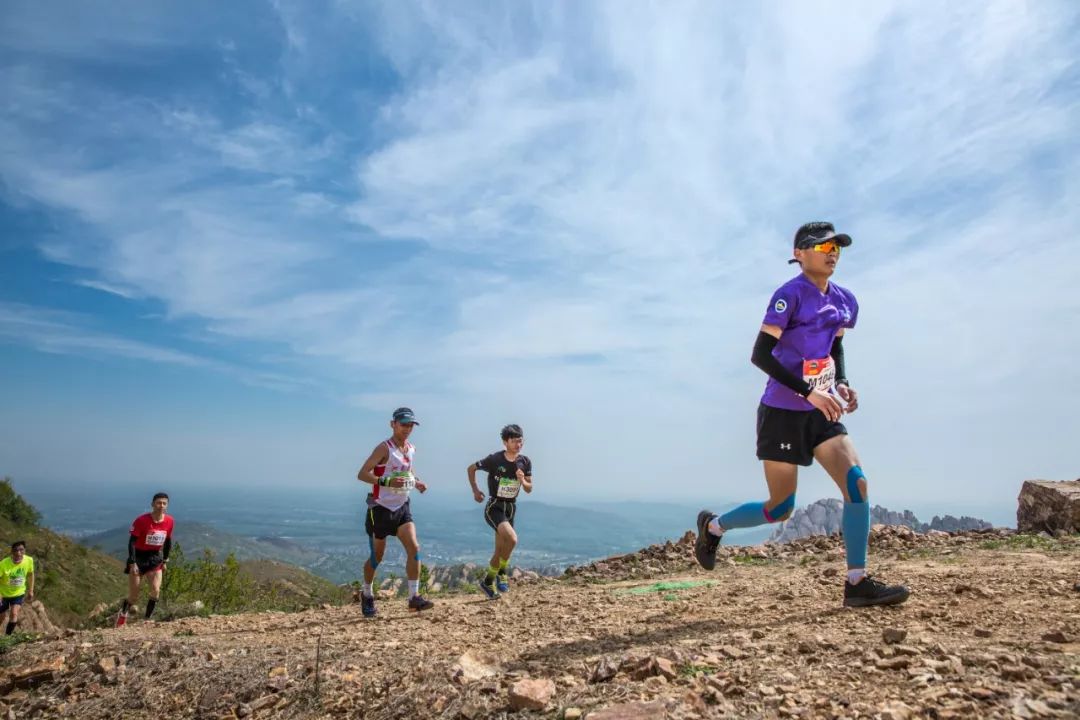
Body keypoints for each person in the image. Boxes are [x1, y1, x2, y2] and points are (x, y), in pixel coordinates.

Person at [695, 222, 910, 608]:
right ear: (799, 253)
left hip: (822, 408)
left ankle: (857, 582)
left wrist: (841, 382)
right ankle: (713, 526)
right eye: (824, 246)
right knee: (780, 508)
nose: (832, 253)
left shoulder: (845, 300)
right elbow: (759, 355)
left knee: (857, 485)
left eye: (837, 248)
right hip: (782, 410)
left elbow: (835, 347)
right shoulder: (788, 296)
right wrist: (807, 392)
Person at [356, 407, 435, 617]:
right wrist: (387, 481)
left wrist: (417, 482)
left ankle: (413, 598)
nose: (407, 429)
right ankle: (367, 593)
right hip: (380, 508)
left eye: (411, 425)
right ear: (393, 424)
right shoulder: (384, 448)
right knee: (377, 557)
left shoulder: (411, 448)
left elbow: (407, 471)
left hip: (401, 506)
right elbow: (362, 474)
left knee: (414, 547)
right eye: (404, 424)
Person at [467, 424, 533, 599]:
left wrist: (522, 480)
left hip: (511, 507)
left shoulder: (525, 461)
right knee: (512, 539)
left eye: (520, 441)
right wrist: (475, 490)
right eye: (514, 441)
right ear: (505, 442)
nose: (518, 444)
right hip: (495, 507)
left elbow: (529, 488)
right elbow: (471, 468)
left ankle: (488, 582)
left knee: (500, 550)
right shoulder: (495, 459)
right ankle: (502, 571)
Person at [116, 492, 174, 627]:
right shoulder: (142, 520)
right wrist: (132, 562)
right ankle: (123, 614)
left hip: (155, 558)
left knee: (155, 590)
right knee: (134, 596)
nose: (161, 506)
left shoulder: (170, 521)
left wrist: (165, 560)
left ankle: (146, 619)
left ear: (167, 506)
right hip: (139, 558)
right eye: (159, 503)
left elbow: (168, 541)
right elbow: (132, 542)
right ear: (152, 504)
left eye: (164, 503)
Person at [0, 541, 34, 635]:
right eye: (15, 550)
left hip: (18, 593)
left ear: (24, 550)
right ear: (12, 552)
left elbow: (31, 574)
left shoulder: (29, 560)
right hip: (4, 594)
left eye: (21, 550)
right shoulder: (3, 564)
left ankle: (7, 637)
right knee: (1, 617)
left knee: (14, 614)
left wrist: (31, 590)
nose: (18, 553)